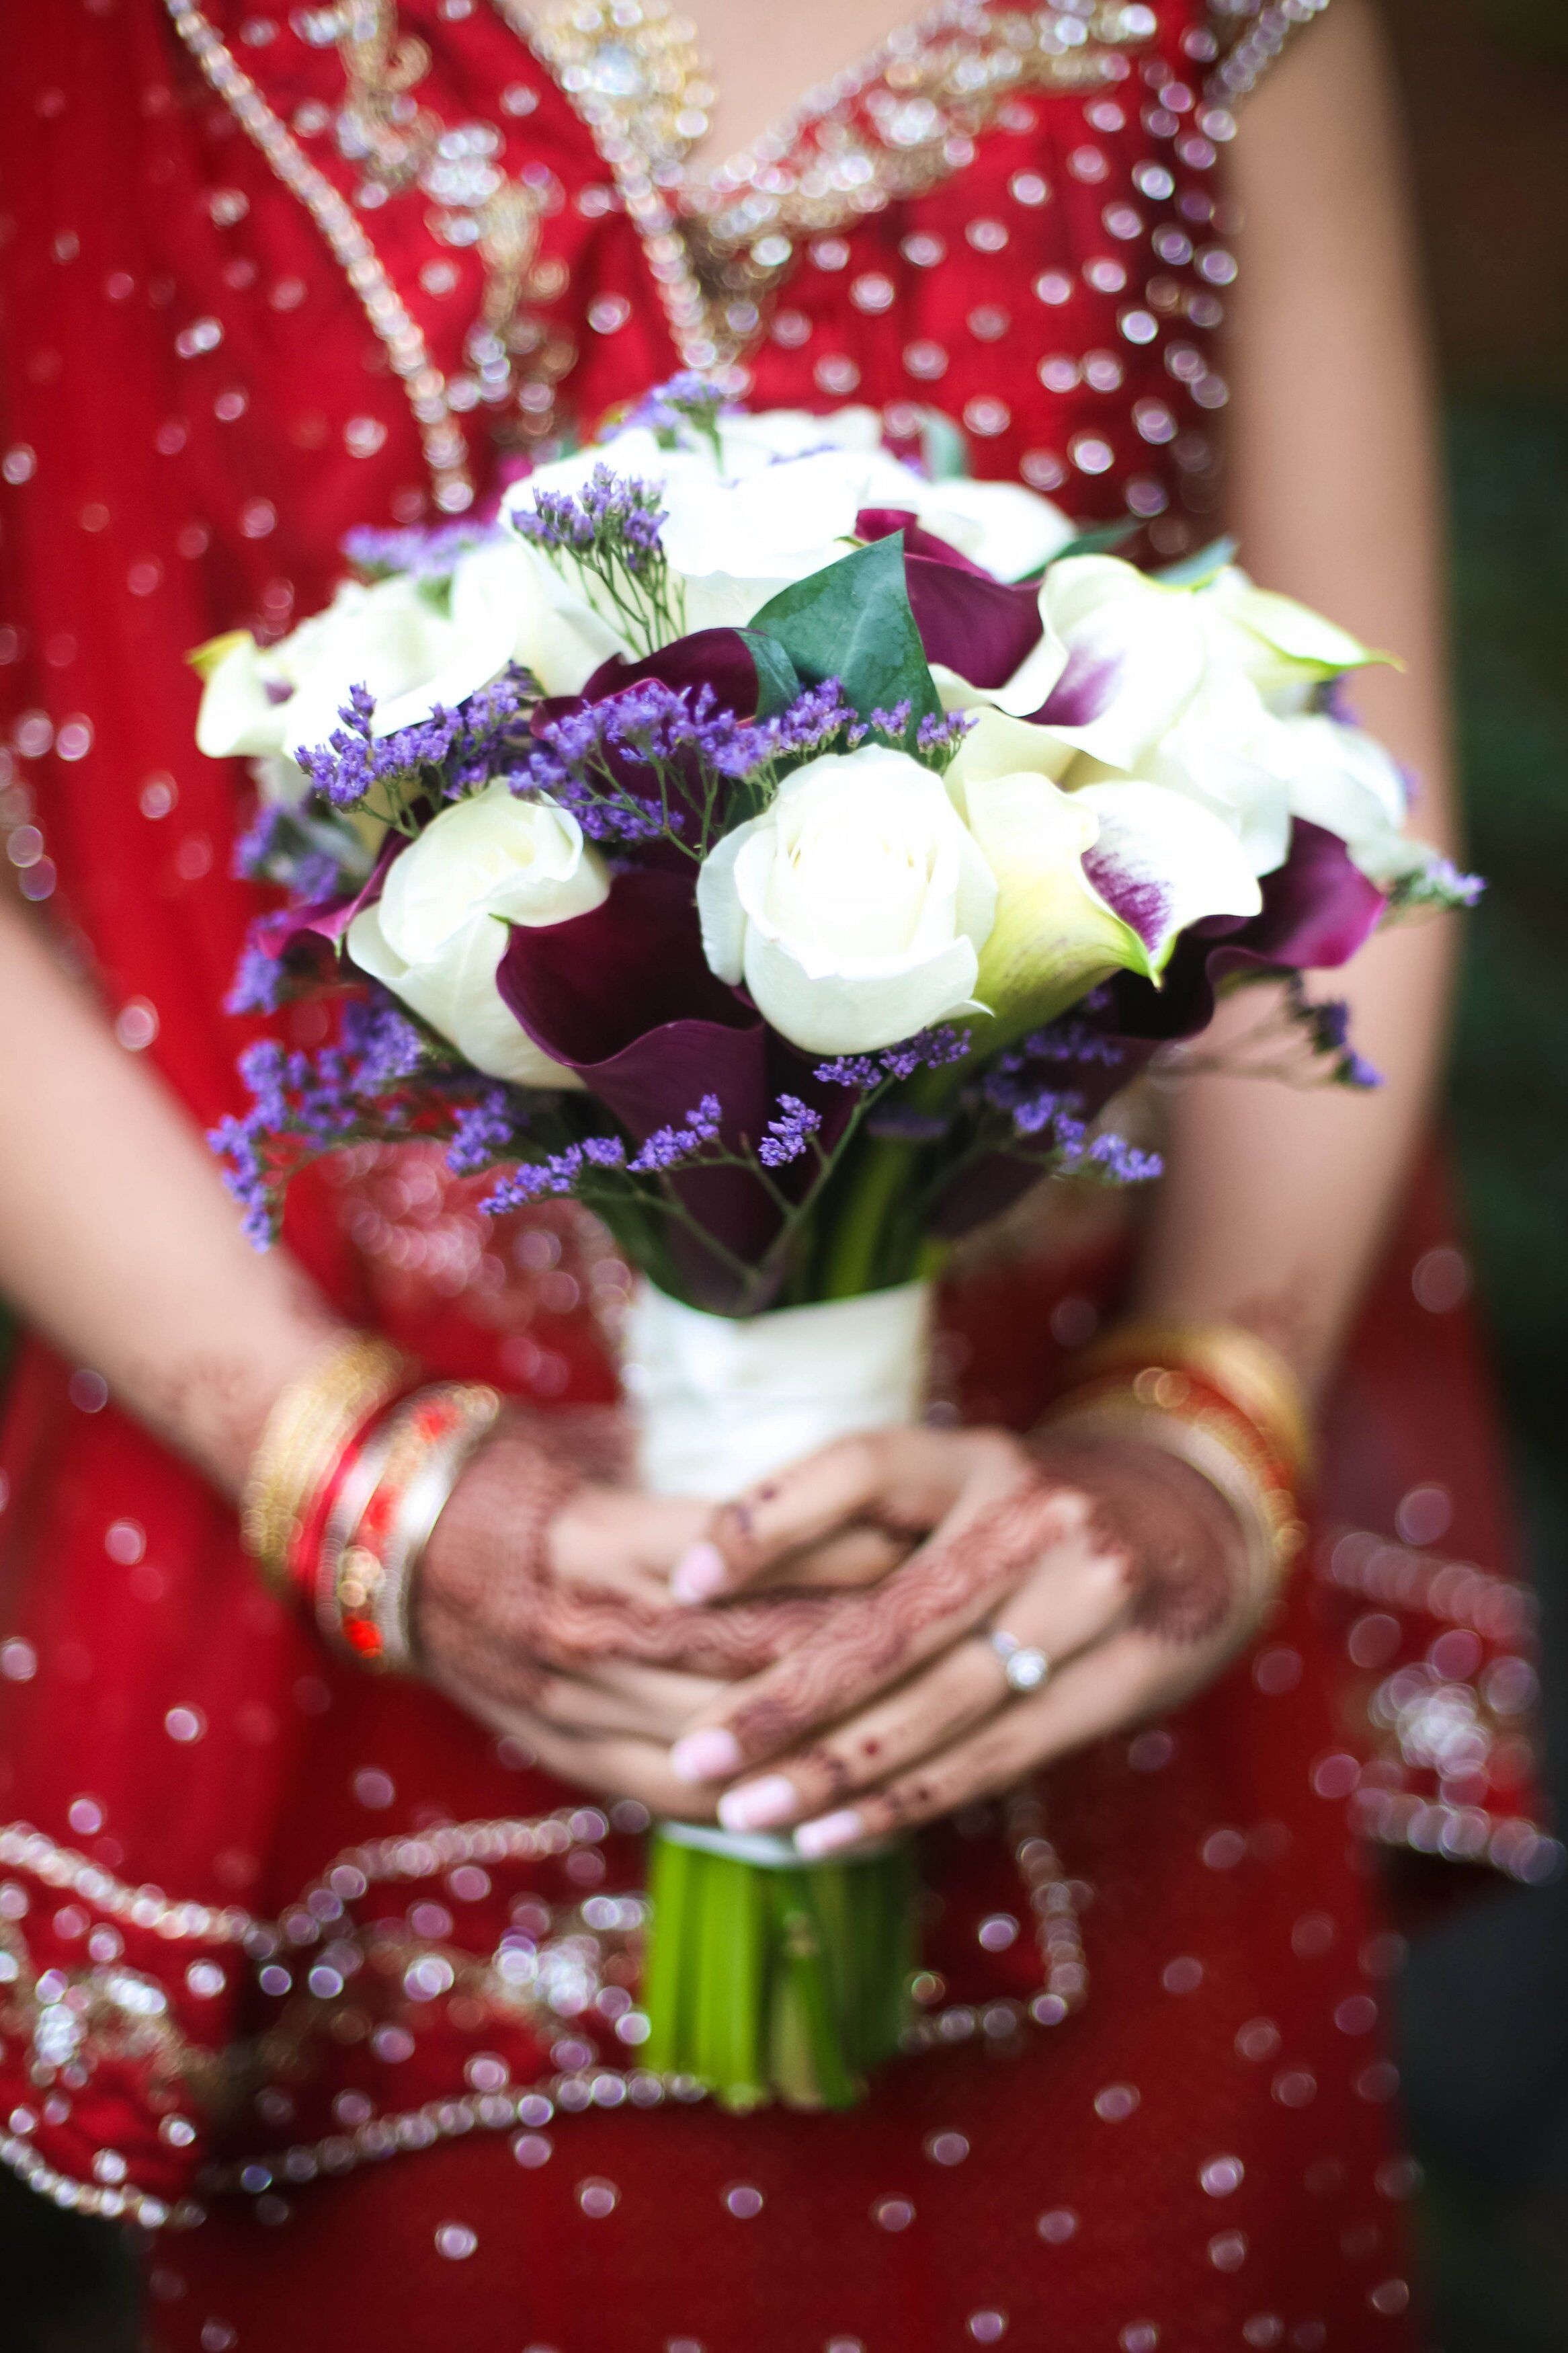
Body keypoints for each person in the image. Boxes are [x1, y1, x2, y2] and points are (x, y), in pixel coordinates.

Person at [0, 2, 1543, 2346]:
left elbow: (1354, 782)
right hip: (386, 1617)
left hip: (1050, 1579)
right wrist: (347, 1467)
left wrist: (1202, 1427)